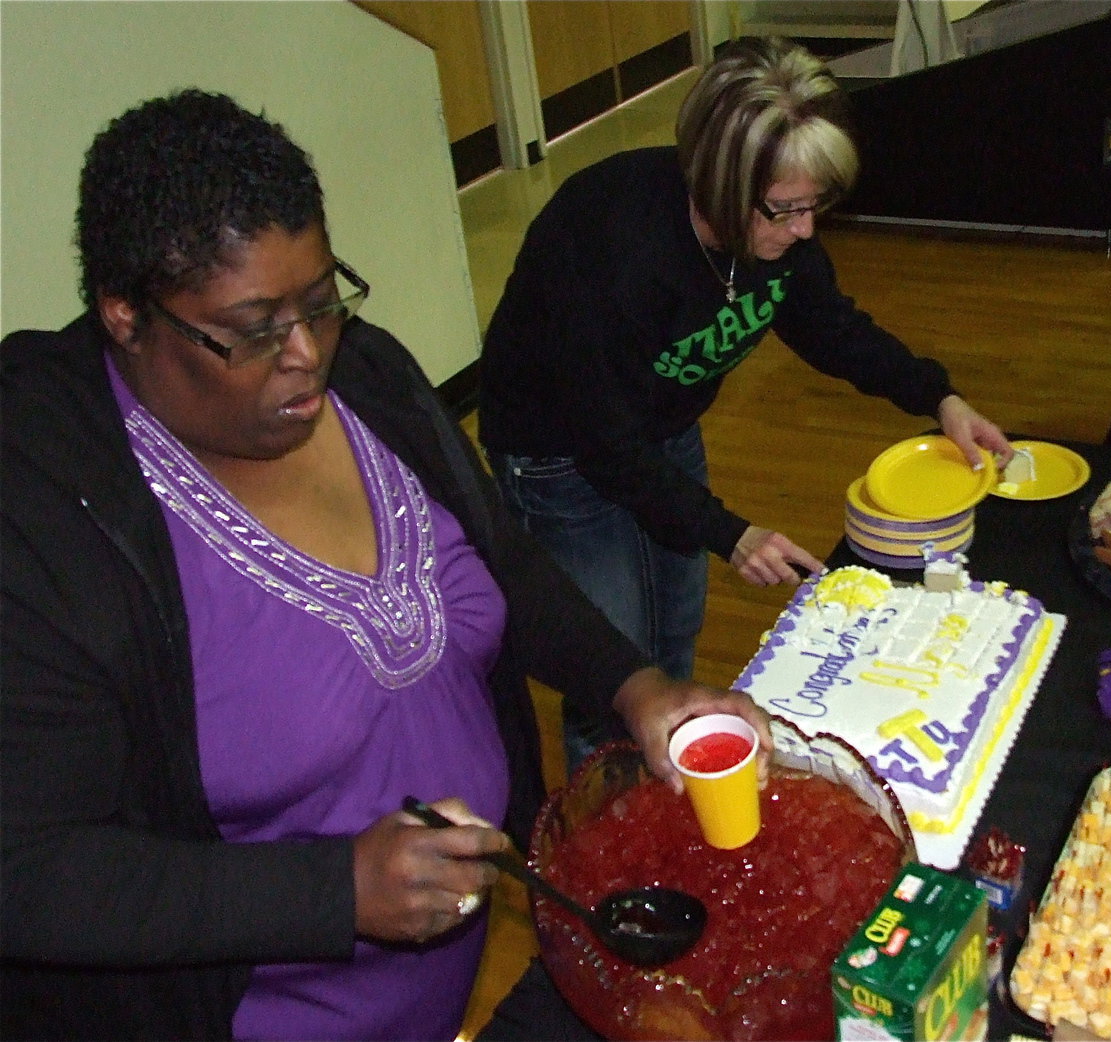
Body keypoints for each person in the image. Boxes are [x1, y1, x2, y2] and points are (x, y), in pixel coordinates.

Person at [0, 88, 774, 1041]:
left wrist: (634, 683)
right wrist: (334, 890)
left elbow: (494, 561)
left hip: (438, 990)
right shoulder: (44, 521)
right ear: (125, 315)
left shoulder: (365, 377)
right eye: (251, 330)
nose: (304, 357)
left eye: (321, 304)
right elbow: (27, 869)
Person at [478, 36, 1013, 768]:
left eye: (815, 206)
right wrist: (731, 533)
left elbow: (831, 328)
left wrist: (939, 397)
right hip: (559, 460)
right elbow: (606, 444)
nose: (805, 230)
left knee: (673, 638)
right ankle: (613, 846)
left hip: (659, 433)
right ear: (722, 184)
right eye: (786, 210)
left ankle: (667, 796)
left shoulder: (775, 240)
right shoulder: (610, 245)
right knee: (616, 677)